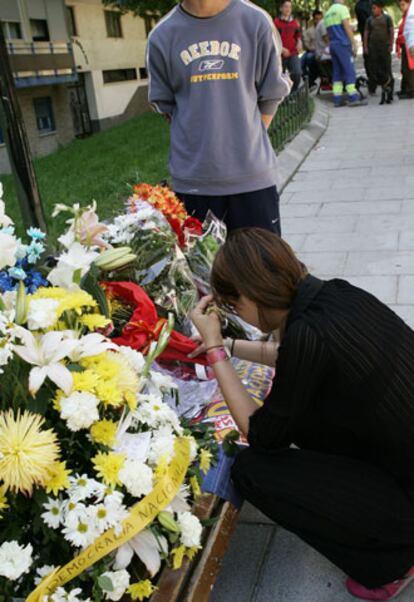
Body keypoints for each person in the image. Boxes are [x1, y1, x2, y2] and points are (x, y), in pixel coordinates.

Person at [191, 228, 414, 602]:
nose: (236, 315)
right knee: (304, 410)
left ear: (247, 295)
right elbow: (293, 358)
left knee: (252, 470)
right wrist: (229, 345)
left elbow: (259, 433)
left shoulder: (308, 335)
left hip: (406, 491)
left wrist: (215, 349)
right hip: (400, 453)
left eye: (233, 307)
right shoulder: (336, 294)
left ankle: (392, 562)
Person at [146, 0, 291, 235]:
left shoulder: (255, 22)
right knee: (202, 272)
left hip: (253, 182)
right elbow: (167, 108)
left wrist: (245, 141)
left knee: (262, 271)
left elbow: (271, 94)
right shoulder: (161, 36)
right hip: (193, 186)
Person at [324, 0, 367, 107]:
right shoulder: (342, 9)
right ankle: (353, 97)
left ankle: (337, 98)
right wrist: (354, 43)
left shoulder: (328, 12)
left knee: (337, 72)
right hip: (343, 44)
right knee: (349, 70)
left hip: (333, 45)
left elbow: (327, 34)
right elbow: (347, 27)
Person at [364, 0, 394, 104]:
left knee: (387, 69)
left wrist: (391, 44)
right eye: (372, 8)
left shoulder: (387, 18)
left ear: (380, 8)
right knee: (375, 70)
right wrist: (365, 46)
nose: (373, 10)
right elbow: (366, 33)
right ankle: (375, 89)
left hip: (384, 48)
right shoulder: (369, 20)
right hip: (373, 49)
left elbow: (391, 31)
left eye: (375, 8)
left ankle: (390, 92)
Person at [274, 0, 303, 91]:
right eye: (286, 7)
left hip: (293, 53)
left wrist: (299, 42)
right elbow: (273, 39)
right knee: (278, 76)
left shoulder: (294, 22)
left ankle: (293, 94)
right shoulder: (276, 23)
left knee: (297, 73)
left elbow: (298, 36)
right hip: (279, 54)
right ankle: (281, 96)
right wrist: (282, 49)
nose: (288, 9)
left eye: (290, 7)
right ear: (281, 8)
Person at [301, 10, 324, 87]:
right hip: (311, 50)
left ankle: (312, 78)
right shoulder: (309, 31)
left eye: (320, 19)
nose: (318, 21)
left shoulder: (325, 29)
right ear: (313, 19)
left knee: (309, 58)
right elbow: (306, 44)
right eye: (316, 19)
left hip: (321, 51)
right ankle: (307, 79)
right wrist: (312, 49)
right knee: (301, 61)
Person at [397, 0, 414, 98]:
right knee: (404, 69)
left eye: (403, 5)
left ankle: (411, 91)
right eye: (400, 5)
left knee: (410, 69)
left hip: (410, 45)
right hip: (405, 45)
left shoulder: (411, 15)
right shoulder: (406, 16)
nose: (401, 7)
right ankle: (406, 89)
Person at [355, 0, 373, 79]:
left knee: (368, 56)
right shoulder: (372, 3)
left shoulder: (358, 6)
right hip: (374, 33)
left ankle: (371, 78)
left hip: (365, 32)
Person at [315, 14, 333, 89]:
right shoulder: (323, 23)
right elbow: (326, 38)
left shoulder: (322, 23)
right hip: (323, 54)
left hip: (323, 52)